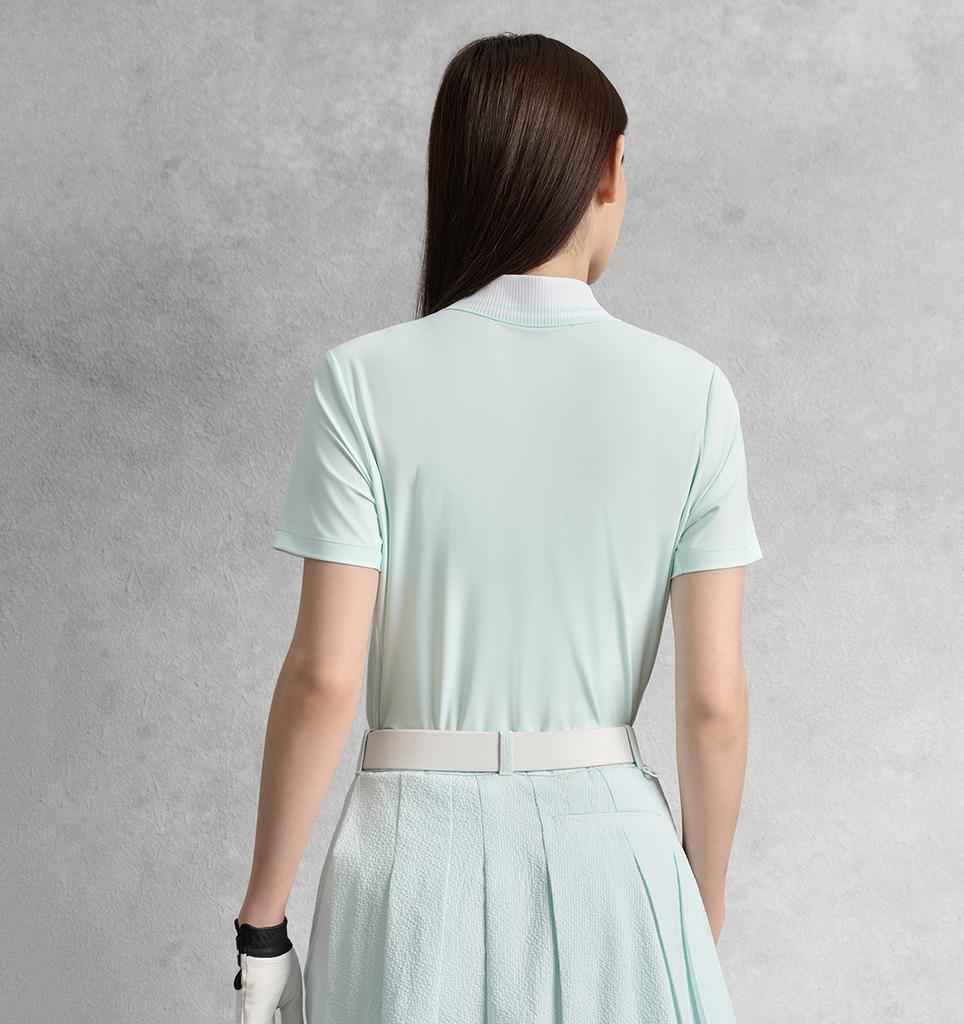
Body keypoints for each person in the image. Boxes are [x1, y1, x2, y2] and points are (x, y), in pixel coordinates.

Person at [232, 31, 763, 1024]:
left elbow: (323, 678)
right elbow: (713, 705)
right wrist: (703, 902)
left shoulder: (362, 380)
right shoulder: (693, 394)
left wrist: (262, 927)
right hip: (617, 858)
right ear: (608, 170)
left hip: (406, 859)